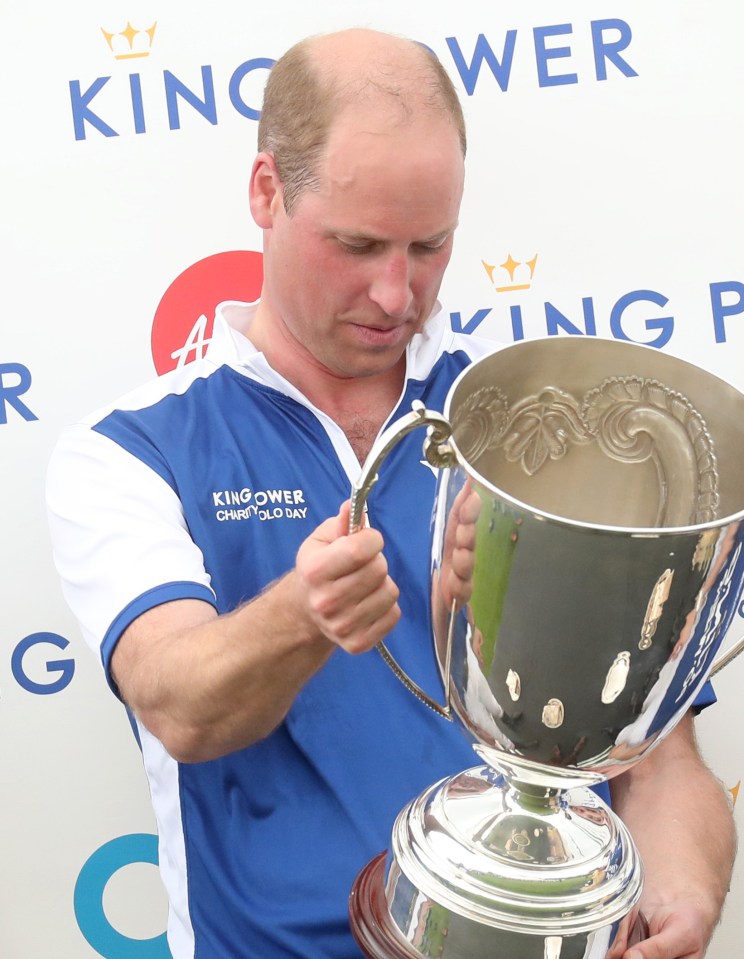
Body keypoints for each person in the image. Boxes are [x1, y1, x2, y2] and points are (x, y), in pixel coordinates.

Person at [47, 27, 735, 959]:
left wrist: (686, 897)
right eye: (358, 243)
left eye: (430, 246)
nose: (393, 291)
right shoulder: (132, 449)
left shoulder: (532, 422)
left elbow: (655, 761)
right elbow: (178, 703)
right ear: (266, 192)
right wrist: (304, 611)